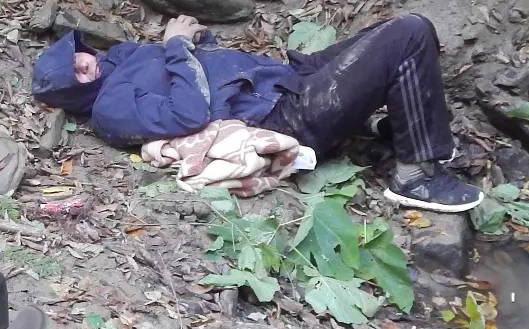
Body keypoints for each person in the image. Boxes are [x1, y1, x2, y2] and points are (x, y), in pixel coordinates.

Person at [31, 13, 480, 212]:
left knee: (391, 31)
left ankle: (395, 127)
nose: (85, 62)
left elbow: (198, 74)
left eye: (78, 55)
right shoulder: (110, 108)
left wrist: (197, 44)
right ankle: (416, 176)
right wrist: (176, 47)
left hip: (285, 79)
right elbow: (188, 115)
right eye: (75, 73)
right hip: (284, 115)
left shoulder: (122, 60)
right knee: (408, 33)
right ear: (73, 93)